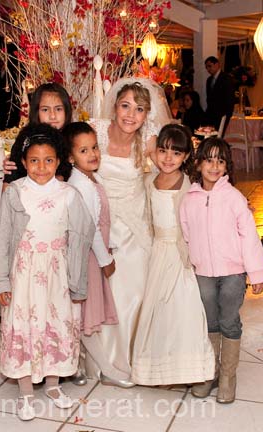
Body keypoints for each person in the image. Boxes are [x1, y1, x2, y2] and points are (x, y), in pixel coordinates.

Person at [0, 123, 95, 421]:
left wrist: (76, 280)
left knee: (57, 323)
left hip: (56, 274)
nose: (41, 167)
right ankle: (25, 391)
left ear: (58, 161)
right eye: (34, 160)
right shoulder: (14, 193)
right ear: (23, 162)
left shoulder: (69, 195)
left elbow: (81, 236)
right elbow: (1, 238)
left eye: (48, 160)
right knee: (23, 325)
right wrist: (1, 279)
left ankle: (53, 384)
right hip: (23, 273)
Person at [88, 77, 172, 387]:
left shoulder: (149, 138)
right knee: (102, 292)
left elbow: (168, 166)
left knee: (133, 291)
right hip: (100, 223)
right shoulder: (96, 129)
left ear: (147, 114)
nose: (130, 115)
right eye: (125, 106)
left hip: (134, 225)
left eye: (138, 109)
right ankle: (99, 360)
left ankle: (128, 359)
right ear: (114, 106)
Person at [180, 137, 263, 403]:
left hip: (232, 273)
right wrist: (193, 260)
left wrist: (256, 273)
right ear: (198, 163)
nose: (215, 166)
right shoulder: (190, 199)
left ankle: (228, 376)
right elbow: (186, 232)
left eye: (220, 160)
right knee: (210, 321)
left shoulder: (234, 199)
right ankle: (211, 372)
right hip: (203, 272)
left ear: (227, 166)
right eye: (209, 159)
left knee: (229, 320)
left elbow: (249, 236)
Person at [131, 124, 214, 386]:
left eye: (176, 153)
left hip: (179, 255)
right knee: (157, 309)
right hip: (157, 251)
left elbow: (198, 225)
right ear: (155, 153)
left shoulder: (189, 187)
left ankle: (189, 368)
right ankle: (159, 368)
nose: (168, 158)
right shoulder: (148, 181)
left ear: (187, 157)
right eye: (163, 151)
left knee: (181, 309)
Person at [0, 83, 73, 279]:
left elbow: (65, 174)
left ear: (68, 111)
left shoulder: (71, 137)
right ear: (36, 112)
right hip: (25, 215)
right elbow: (10, 179)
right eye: (45, 110)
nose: (53, 116)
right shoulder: (26, 138)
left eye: (58, 109)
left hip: (58, 218)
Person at [64, 121, 120, 384]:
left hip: (94, 254)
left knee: (87, 313)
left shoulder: (90, 178)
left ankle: (88, 366)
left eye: (95, 147)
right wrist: (106, 259)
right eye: (84, 150)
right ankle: (108, 370)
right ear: (70, 156)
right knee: (87, 316)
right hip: (88, 257)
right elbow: (91, 228)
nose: (93, 154)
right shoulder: (81, 184)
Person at [204, 56, 235, 130]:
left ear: (217, 64)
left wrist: (227, 115)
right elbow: (209, 98)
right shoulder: (209, 80)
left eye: (209, 66)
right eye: (206, 67)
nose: (208, 69)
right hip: (211, 114)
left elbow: (230, 99)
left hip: (222, 114)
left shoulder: (226, 78)